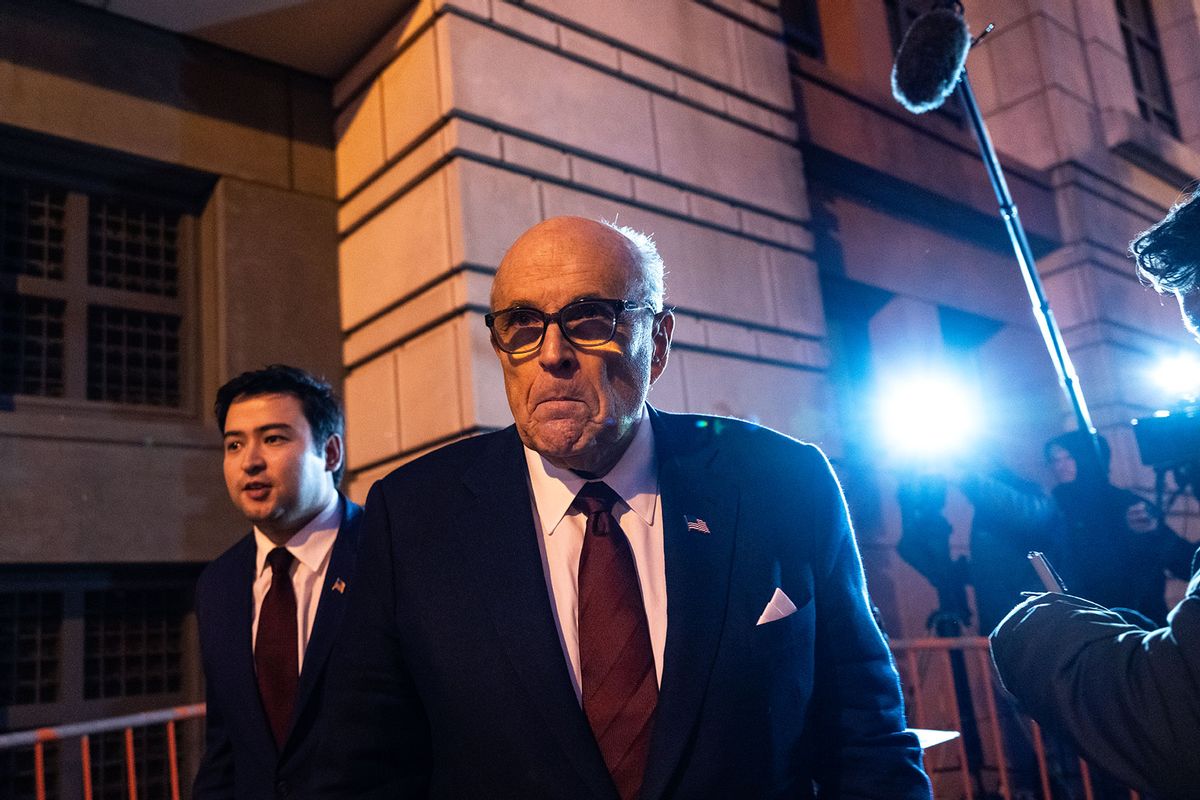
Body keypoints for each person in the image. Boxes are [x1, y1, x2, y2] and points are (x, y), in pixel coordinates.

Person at [314, 216, 930, 798]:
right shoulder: (415, 515)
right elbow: (363, 764)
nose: (551, 353)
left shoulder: (782, 484)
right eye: (522, 324)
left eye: (589, 319)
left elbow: (866, 736)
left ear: (657, 341)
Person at [991, 186, 1200, 799]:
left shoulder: (1125, 505)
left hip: (1123, 682)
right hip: (1115, 661)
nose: (1056, 467)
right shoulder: (1052, 510)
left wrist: (1042, 634)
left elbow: (1181, 714)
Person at [193, 365, 362, 800]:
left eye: (273, 438)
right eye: (234, 444)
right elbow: (224, 749)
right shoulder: (218, 584)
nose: (249, 461)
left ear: (330, 453)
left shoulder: (387, 554)